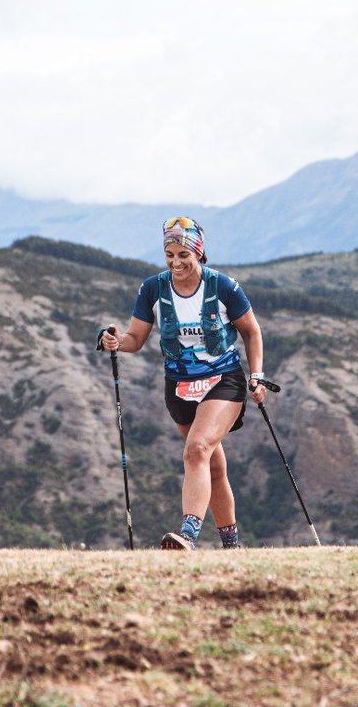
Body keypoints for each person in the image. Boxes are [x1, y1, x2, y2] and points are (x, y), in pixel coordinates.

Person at [101, 217, 266, 550]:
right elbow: (136, 338)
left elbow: (251, 331)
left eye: (183, 255)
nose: (176, 262)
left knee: (196, 450)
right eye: (170, 254)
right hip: (179, 388)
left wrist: (256, 375)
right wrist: (118, 341)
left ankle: (188, 535)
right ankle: (232, 547)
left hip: (224, 380)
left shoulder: (223, 287)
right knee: (212, 466)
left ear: (199, 253)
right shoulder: (153, 289)